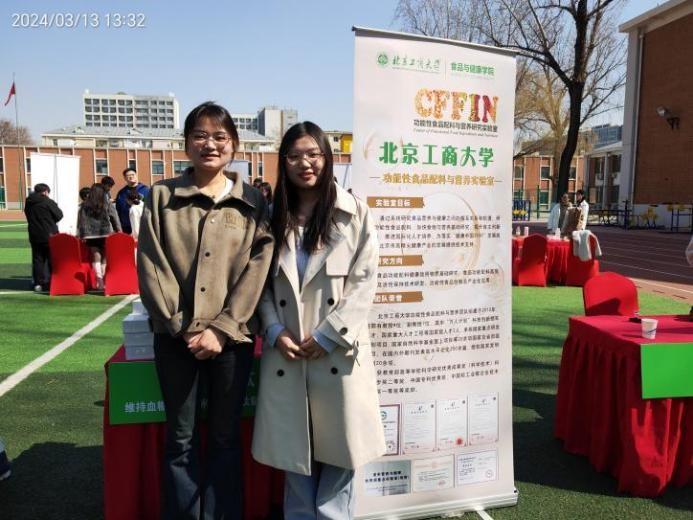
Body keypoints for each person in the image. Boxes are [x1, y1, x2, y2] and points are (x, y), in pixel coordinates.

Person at [137, 101, 274, 519]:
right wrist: (182, 325)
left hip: (231, 341)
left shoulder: (252, 201)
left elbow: (257, 268)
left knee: (224, 438)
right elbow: (152, 264)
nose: (209, 144)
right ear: (186, 144)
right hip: (175, 339)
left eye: (219, 136)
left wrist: (222, 327)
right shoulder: (162, 196)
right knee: (180, 440)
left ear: (234, 145)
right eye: (199, 135)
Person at [252, 122, 385, 520]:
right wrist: (274, 330)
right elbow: (258, 284)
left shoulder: (354, 213)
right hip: (288, 353)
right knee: (295, 455)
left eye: (313, 154)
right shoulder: (271, 217)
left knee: (340, 456)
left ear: (327, 158)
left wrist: (329, 335)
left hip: (337, 353)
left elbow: (364, 282)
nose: (304, 163)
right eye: (294, 156)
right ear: (283, 162)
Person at [78, 183, 122, 290]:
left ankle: (99, 281)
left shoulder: (84, 205)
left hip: (90, 234)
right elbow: (114, 217)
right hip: (105, 233)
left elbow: (81, 221)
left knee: (96, 255)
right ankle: (105, 280)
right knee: (105, 257)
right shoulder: (106, 203)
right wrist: (118, 230)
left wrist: (82, 234)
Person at [24, 183, 63, 292]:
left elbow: (28, 216)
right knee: (51, 259)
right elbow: (59, 215)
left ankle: (38, 283)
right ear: (45, 191)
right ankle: (51, 282)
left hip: (34, 234)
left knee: (37, 260)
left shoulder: (29, 202)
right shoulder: (48, 201)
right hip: (49, 233)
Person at [115, 168, 150, 234]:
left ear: (136, 175)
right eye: (128, 176)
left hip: (142, 224)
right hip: (126, 225)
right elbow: (118, 209)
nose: (131, 177)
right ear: (125, 178)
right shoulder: (121, 193)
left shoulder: (146, 190)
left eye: (133, 175)